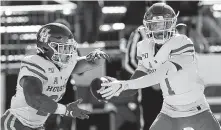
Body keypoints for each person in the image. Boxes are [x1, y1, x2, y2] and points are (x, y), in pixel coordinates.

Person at [98, 3, 221, 130]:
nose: (159, 29)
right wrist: (113, 89)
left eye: (163, 24)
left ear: (172, 24)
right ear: (147, 26)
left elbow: (160, 75)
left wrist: (124, 84)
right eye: (155, 25)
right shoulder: (144, 47)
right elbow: (134, 85)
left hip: (197, 110)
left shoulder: (182, 42)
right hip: (169, 112)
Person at [1, 23, 109, 130]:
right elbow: (35, 99)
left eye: (69, 48)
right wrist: (65, 110)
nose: (68, 52)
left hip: (36, 126)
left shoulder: (64, 66)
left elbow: (92, 63)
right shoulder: (36, 64)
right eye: (63, 48)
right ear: (47, 47)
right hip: (16, 123)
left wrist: (97, 57)